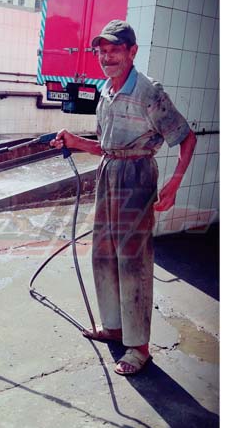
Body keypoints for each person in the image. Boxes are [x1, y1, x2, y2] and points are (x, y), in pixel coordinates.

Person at [50, 19, 196, 375]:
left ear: (132, 52)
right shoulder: (106, 91)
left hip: (137, 176)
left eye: (115, 50)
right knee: (103, 253)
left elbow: (186, 138)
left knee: (133, 261)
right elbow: (106, 147)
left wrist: (174, 183)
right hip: (109, 174)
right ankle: (114, 327)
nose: (107, 57)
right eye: (102, 51)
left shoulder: (149, 92)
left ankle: (138, 347)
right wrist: (75, 142)